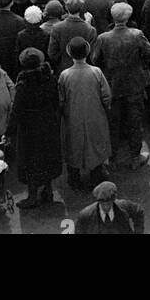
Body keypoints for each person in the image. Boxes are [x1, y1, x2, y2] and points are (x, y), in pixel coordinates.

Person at [92, 2, 150, 169]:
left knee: (113, 122)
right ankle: (135, 157)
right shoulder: (137, 34)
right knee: (135, 121)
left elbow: (95, 60)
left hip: (112, 84)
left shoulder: (103, 38)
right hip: (134, 82)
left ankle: (112, 159)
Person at [6, 47, 62, 208]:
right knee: (47, 155)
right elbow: (56, 102)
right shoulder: (50, 78)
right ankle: (48, 189)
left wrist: (8, 132)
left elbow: (15, 111)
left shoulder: (23, 84)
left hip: (29, 127)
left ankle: (32, 196)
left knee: (30, 160)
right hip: (48, 122)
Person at [59, 36, 112, 189]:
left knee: (73, 145)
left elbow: (61, 99)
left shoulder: (65, 75)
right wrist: (104, 109)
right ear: (87, 52)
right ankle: (97, 175)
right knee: (95, 143)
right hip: (95, 114)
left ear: (70, 53)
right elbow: (106, 96)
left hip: (72, 116)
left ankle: (74, 179)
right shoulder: (96, 71)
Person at [75, 180, 145, 235]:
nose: (106, 207)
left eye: (109, 203)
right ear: (98, 201)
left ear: (114, 200)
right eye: (102, 204)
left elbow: (139, 212)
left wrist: (138, 232)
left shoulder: (124, 206)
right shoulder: (85, 215)